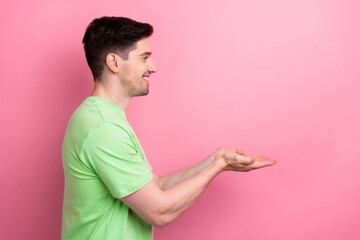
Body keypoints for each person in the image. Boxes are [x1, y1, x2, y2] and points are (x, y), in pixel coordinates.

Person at [61, 16, 277, 240]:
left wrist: (214, 160)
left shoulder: (103, 119)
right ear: (114, 63)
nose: (152, 68)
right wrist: (220, 166)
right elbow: (159, 211)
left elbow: (155, 185)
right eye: (144, 58)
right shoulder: (103, 128)